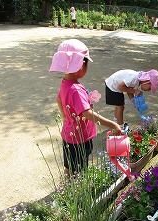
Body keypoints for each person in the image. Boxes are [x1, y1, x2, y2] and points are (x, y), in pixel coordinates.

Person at [49, 39, 122, 176]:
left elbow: (59, 99)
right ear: (81, 65)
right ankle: (76, 191)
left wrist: (65, 116)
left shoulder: (65, 83)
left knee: (69, 165)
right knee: (81, 169)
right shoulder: (76, 89)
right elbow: (88, 114)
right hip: (80, 138)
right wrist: (113, 125)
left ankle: (66, 187)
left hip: (68, 134)